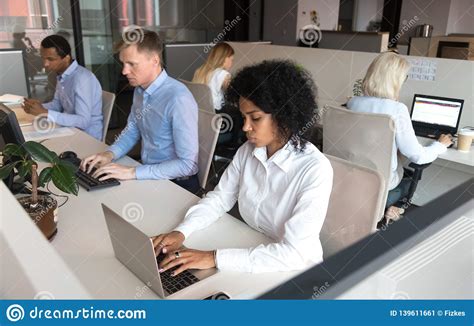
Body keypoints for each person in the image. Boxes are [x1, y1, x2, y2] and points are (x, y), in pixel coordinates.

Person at [152, 60, 334, 275]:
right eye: (244, 117)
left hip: (293, 271)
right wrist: (182, 231)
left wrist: (214, 257)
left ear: (284, 115)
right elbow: (220, 199)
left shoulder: (314, 170)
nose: (246, 127)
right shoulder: (248, 151)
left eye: (255, 118)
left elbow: (294, 253)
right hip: (254, 253)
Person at [80, 29, 199, 194]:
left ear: (155, 60)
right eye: (123, 63)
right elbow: (132, 130)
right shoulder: (140, 90)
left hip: (178, 185)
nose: (124, 71)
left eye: (132, 64)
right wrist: (109, 154)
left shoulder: (178, 99)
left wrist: (131, 172)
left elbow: (187, 165)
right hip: (148, 173)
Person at [346, 52, 453, 221]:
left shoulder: (353, 103)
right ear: (396, 80)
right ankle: (391, 207)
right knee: (411, 176)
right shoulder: (397, 110)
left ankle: (386, 210)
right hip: (381, 183)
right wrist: (440, 145)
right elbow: (418, 156)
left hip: (352, 178)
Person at [23, 34, 103, 140]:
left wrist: (44, 112)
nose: (45, 64)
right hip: (68, 129)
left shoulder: (82, 78)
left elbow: (83, 121)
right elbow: (58, 105)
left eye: (50, 59)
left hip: (87, 137)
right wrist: (38, 107)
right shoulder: (62, 74)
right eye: (43, 58)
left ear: (66, 58)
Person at [192, 42, 234, 111]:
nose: (232, 63)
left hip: (201, 111)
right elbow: (232, 93)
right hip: (216, 112)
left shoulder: (199, 71)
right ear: (225, 58)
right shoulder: (223, 74)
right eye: (232, 59)